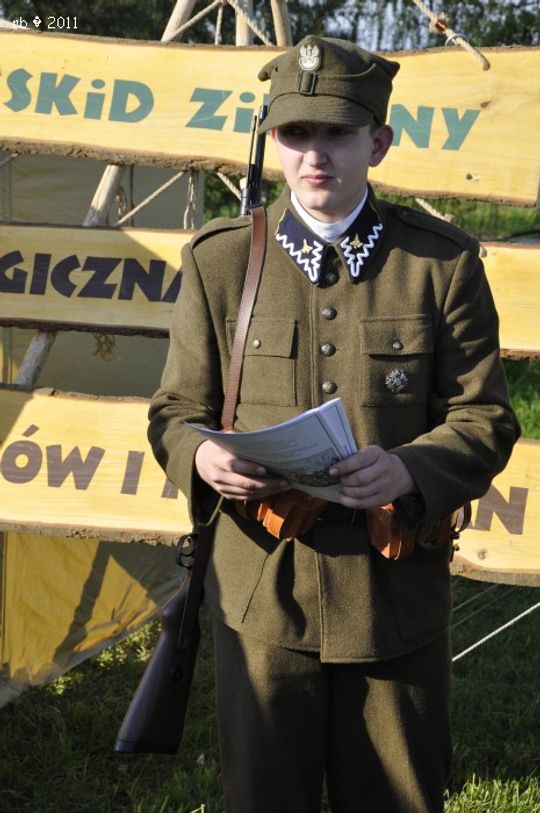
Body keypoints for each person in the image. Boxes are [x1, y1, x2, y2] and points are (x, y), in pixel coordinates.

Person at [149, 36, 519, 813]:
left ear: (377, 142)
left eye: (338, 134)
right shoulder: (221, 263)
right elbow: (176, 412)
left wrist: (411, 468)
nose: (315, 154)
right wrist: (204, 458)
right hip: (261, 594)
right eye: (296, 133)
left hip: (395, 596)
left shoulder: (439, 265)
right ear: (274, 141)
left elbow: (485, 416)